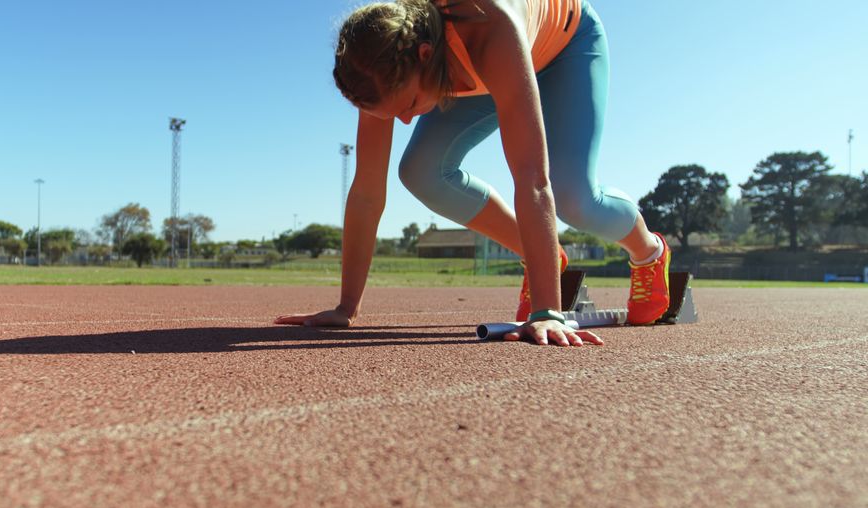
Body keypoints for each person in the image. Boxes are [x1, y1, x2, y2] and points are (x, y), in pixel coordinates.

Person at [275, 0, 671, 347]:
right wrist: (347, 307)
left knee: (573, 198)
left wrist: (548, 311)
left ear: (426, 54)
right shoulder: (379, 61)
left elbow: (532, 178)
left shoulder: (489, 29)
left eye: (410, 103)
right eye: (394, 113)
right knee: (420, 170)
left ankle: (648, 251)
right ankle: (542, 254)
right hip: (475, 69)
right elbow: (366, 191)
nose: (407, 120)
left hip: (564, 48)